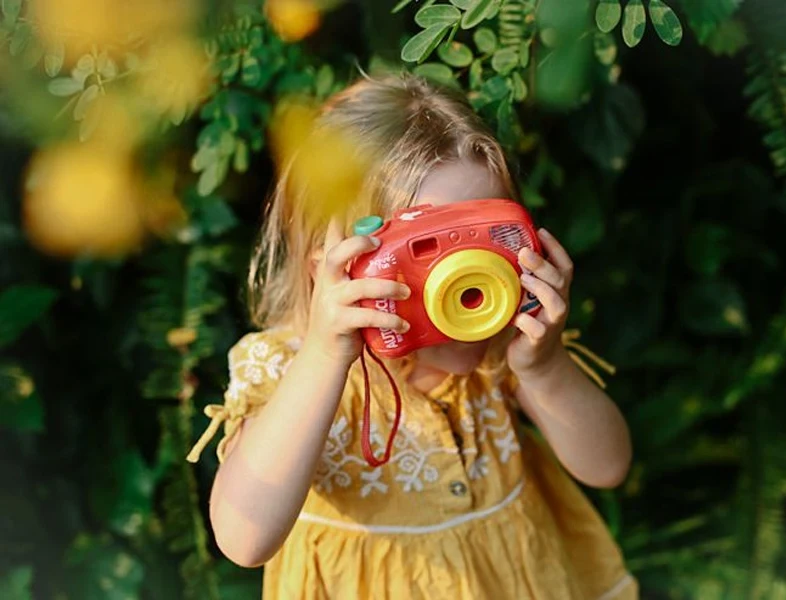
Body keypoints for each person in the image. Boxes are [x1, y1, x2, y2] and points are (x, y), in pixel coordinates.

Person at [187, 73, 636, 600]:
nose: (464, 282)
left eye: (482, 243)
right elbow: (244, 539)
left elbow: (608, 467)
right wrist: (327, 357)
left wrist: (544, 366)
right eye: (424, 253)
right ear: (329, 268)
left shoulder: (506, 355)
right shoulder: (289, 368)